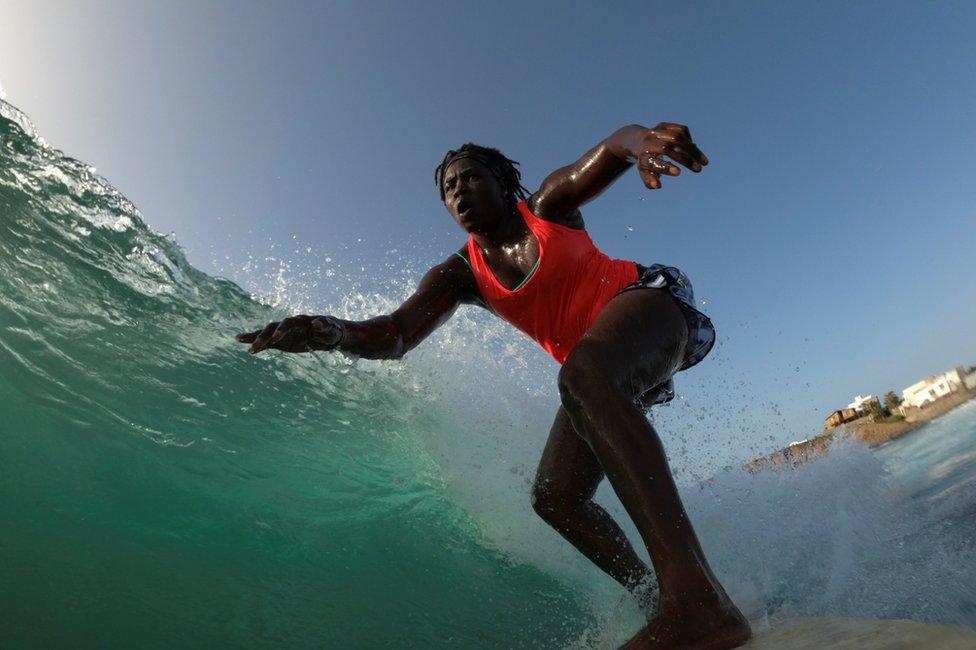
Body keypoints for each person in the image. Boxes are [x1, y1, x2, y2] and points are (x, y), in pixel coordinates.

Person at [236, 123, 751, 649]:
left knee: (580, 376)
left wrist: (641, 144)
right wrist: (332, 331)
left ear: (503, 183)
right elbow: (394, 335)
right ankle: (653, 596)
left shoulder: (546, 208)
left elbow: (610, 151)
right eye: (449, 188)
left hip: (653, 305)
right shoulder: (461, 274)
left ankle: (696, 599)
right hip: (601, 372)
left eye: (471, 178)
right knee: (555, 497)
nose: (459, 190)